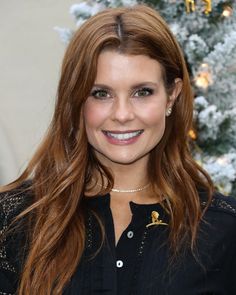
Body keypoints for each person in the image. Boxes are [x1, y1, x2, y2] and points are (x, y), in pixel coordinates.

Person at [0, 4, 235, 295]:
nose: (122, 114)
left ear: (171, 95)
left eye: (142, 92)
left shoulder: (223, 227)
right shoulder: (15, 219)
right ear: (76, 101)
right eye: (101, 94)